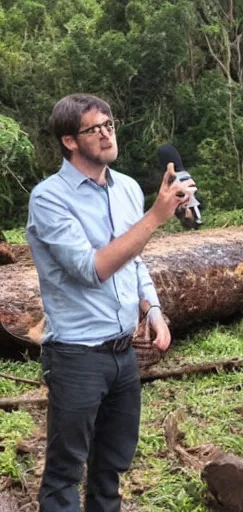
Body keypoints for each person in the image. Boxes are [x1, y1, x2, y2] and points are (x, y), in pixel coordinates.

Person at [26, 94, 196, 512]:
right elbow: (93, 268)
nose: (106, 133)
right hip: (77, 355)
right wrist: (155, 217)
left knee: (111, 468)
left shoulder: (126, 189)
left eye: (109, 124)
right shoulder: (49, 199)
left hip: (124, 355)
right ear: (69, 140)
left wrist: (152, 308)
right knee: (65, 472)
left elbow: (131, 258)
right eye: (93, 128)